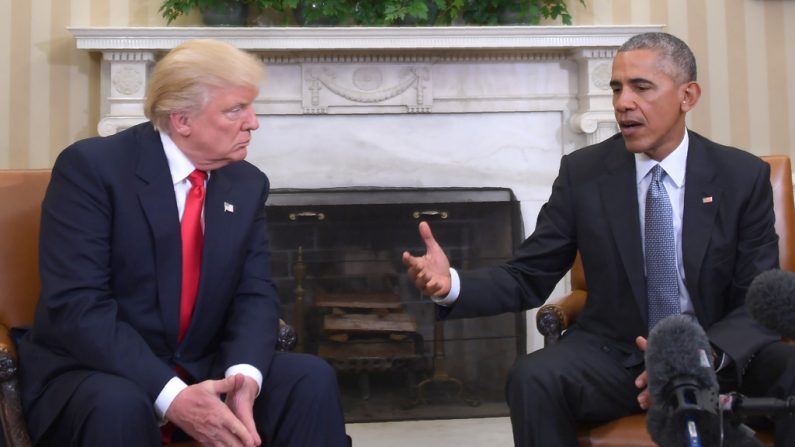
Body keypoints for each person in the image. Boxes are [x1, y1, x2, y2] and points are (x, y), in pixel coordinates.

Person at [403, 32, 795, 446]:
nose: (623, 102)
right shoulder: (584, 174)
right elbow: (529, 275)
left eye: (641, 87)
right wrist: (452, 286)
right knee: (533, 377)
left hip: (717, 355)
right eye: (616, 88)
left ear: (687, 96)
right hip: (617, 356)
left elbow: (756, 297)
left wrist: (700, 358)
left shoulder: (741, 176)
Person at [16, 39, 349, 446]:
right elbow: (77, 306)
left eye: (251, 106)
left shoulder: (246, 183)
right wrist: (171, 395)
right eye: (235, 110)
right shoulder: (93, 170)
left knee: (310, 379)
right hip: (98, 369)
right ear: (182, 120)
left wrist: (244, 376)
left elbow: (255, 294)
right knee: (118, 404)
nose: (254, 122)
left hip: (204, 363)